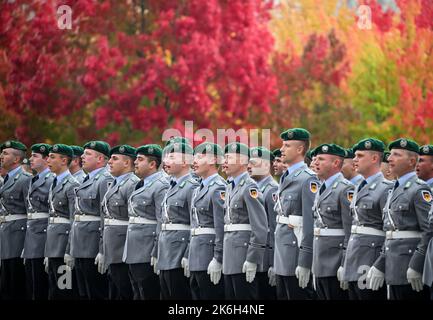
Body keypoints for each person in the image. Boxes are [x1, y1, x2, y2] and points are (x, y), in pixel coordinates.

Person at [368, 138, 432, 300]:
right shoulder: (393, 190)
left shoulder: (419, 189)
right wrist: (380, 264)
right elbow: (390, 233)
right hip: (393, 265)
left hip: (410, 266)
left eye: (396, 155)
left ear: (411, 161)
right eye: (390, 155)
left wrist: (417, 264)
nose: (389, 159)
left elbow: (428, 230)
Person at [342, 138, 392, 300]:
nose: (354, 159)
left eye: (360, 156)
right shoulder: (358, 187)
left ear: (374, 158)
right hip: (354, 258)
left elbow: (390, 231)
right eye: (355, 156)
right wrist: (345, 262)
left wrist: (380, 264)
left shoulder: (385, 189)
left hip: (370, 260)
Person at [274, 128, 319, 300]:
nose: (281, 149)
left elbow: (310, 221)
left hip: (295, 252)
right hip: (282, 253)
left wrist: (305, 260)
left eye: (287, 145)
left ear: (300, 149)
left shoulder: (307, 178)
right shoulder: (286, 176)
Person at [222, 142, 268, 300]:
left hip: (243, 254)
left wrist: (252, 258)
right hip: (230, 255)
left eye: (229, 157)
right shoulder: (230, 187)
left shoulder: (249, 187)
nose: (224, 161)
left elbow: (260, 227)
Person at [123, 144, 168, 300]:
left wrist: (156, 251)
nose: (135, 162)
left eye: (140, 159)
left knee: (148, 292)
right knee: (137, 292)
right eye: (136, 159)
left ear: (152, 164)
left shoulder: (160, 186)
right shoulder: (140, 184)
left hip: (147, 250)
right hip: (134, 249)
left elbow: (161, 220)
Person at [70, 140, 113, 300]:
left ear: (100, 159)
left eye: (88, 154)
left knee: (96, 291)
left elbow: (105, 216)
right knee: (83, 292)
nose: (82, 157)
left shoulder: (104, 180)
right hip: (80, 243)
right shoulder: (86, 179)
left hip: (93, 245)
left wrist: (102, 249)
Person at [311, 144, 353, 300]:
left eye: (321, 159)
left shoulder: (345, 189)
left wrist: (345, 263)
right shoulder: (322, 187)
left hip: (335, 262)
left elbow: (350, 232)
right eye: (316, 159)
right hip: (320, 261)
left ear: (336, 163)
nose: (316, 163)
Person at [158, 142, 199, 300]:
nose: (166, 161)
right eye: (166, 156)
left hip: (180, 250)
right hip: (166, 250)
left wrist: (188, 254)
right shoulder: (170, 185)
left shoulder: (192, 187)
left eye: (171, 157)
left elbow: (196, 223)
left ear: (184, 162)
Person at [186, 142, 226, 300]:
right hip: (196, 254)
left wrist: (218, 258)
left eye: (200, 157)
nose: (194, 161)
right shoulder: (197, 189)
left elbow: (220, 226)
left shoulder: (219, 187)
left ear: (213, 160)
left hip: (209, 254)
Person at [100, 144, 139, 300]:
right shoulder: (114, 182)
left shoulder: (132, 183)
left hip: (123, 245)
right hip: (112, 245)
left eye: (114, 159)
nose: (109, 162)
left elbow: (134, 217)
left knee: (125, 290)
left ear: (127, 162)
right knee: (114, 289)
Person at [45, 144, 80, 299]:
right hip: (53, 243)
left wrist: (69, 249)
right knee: (54, 287)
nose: (48, 160)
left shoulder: (72, 185)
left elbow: (74, 219)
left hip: (63, 242)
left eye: (53, 157)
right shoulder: (55, 182)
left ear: (64, 160)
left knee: (64, 288)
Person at [0, 140, 32, 299]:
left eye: (5, 153)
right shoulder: (5, 179)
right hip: (6, 234)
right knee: (5, 283)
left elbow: (31, 211)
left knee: (16, 283)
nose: (1, 156)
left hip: (19, 236)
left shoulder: (25, 179)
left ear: (16, 159)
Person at [23, 143, 54, 300]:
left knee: (44, 283)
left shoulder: (52, 180)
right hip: (31, 235)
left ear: (46, 159)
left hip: (44, 236)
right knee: (32, 282)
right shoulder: (32, 180)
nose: (30, 159)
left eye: (35, 156)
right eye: (31, 155)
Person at [248, 146, 278, 300]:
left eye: (253, 162)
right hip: (253, 256)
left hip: (265, 260)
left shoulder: (272, 190)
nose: (248, 166)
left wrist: (273, 263)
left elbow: (273, 229)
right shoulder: (253, 188)